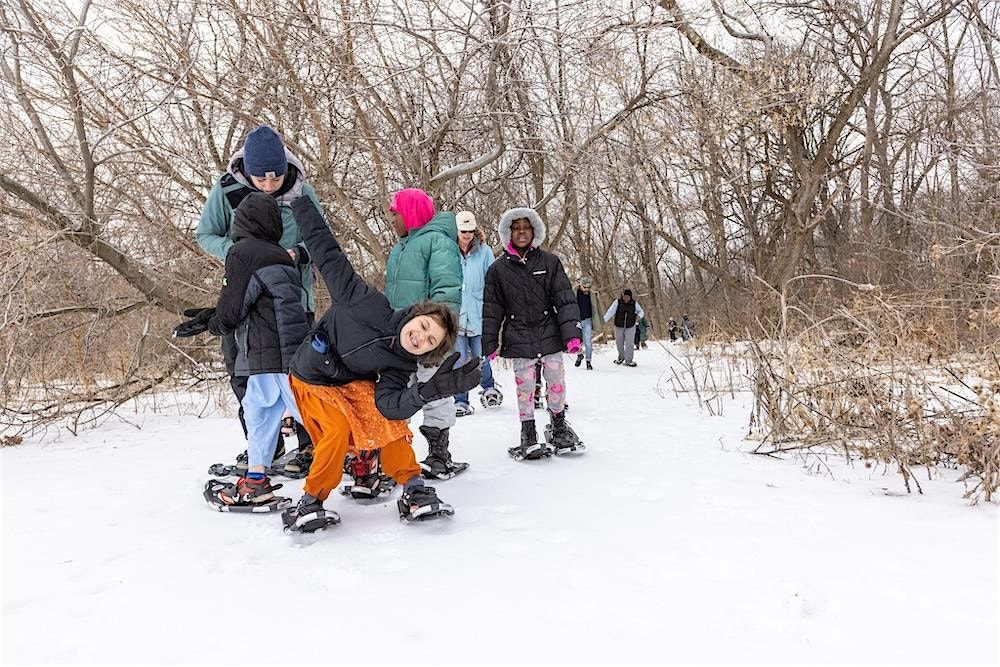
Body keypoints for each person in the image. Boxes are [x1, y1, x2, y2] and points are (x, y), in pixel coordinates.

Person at [280, 196, 481, 532]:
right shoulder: (364, 301)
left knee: (387, 424)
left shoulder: (401, 365)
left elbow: (390, 407)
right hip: (311, 376)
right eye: (424, 328)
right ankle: (311, 500)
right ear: (417, 315)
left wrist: (431, 390)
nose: (421, 338)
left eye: (430, 342)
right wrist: (298, 199)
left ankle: (414, 488)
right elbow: (327, 251)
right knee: (337, 428)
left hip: (347, 384)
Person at [195, 125, 318, 475]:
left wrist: (297, 253)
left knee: (301, 378)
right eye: (260, 180)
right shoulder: (227, 190)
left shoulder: (302, 192)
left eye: (275, 179)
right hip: (245, 298)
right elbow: (206, 234)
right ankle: (264, 445)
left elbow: (323, 241)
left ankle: (311, 446)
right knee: (243, 375)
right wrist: (241, 253)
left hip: (294, 301)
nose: (268, 185)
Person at [174, 193, 310, 507]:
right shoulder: (278, 254)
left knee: (311, 415)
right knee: (259, 412)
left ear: (242, 222)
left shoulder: (242, 252)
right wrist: (214, 314)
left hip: (272, 354)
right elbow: (253, 300)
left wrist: (213, 323)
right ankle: (256, 480)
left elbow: (233, 309)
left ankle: (365, 460)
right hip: (283, 350)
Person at [483, 207, 584, 460]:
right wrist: (489, 342)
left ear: (534, 231)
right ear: (508, 233)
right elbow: (492, 310)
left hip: (548, 332)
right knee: (525, 387)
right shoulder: (498, 270)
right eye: (516, 229)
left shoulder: (550, 262)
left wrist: (572, 335)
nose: (521, 233)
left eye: (525, 228)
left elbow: (564, 300)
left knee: (556, 381)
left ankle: (559, 425)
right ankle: (528, 431)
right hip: (518, 335)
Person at [383, 189, 466, 480]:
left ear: (411, 213)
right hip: (401, 339)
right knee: (398, 394)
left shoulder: (437, 243)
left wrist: (436, 337)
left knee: (435, 392)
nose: (391, 218)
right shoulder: (401, 247)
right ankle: (392, 455)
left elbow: (447, 291)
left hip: (429, 339)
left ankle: (439, 453)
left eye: (396, 212)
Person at [453, 210, 500, 416]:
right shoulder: (447, 251)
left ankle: (488, 388)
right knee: (460, 358)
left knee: (482, 356)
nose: (467, 235)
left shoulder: (485, 252)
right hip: (455, 315)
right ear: (457, 230)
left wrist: (492, 308)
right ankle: (461, 400)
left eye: (470, 231)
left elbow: (492, 282)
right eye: (463, 231)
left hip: (478, 312)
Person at [603, 289, 645, 367]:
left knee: (629, 343)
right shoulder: (617, 302)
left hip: (630, 326)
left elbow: (641, 311)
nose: (626, 298)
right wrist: (603, 320)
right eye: (624, 297)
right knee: (619, 343)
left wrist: (639, 316)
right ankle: (621, 357)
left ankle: (629, 360)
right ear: (622, 296)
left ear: (630, 297)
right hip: (619, 325)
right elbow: (610, 311)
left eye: (627, 297)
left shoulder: (634, 304)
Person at [574, 276, 600, 370]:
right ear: (580, 285)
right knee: (577, 341)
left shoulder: (592, 294)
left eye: (589, 288)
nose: (586, 289)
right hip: (577, 320)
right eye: (585, 287)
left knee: (588, 342)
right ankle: (580, 354)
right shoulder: (574, 292)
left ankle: (588, 361)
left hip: (587, 320)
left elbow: (596, 308)